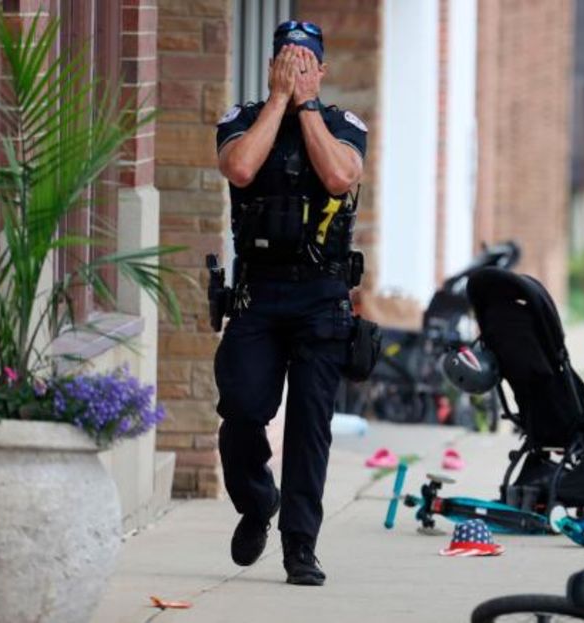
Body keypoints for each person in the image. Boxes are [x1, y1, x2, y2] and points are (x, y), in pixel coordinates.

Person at [212, 20, 367, 586]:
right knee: (242, 412)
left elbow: (337, 176)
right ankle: (258, 504)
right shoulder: (241, 119)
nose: (297, 67)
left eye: (306, 61)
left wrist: (304, 106)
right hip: (259, 293)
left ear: (321, 70)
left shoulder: (342, 125)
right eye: (287, 59)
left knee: (310, 427)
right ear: (272, 66)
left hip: (321, 296)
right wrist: (279, 100)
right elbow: (242, 168)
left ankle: (301, 546)